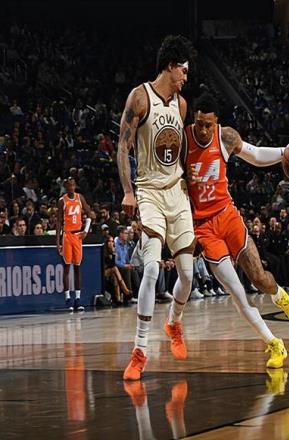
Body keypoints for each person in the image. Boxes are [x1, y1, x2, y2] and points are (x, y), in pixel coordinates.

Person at [184, 93, 289, 369]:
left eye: (208, 125)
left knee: (259, 278)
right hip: (203, 227)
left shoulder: (225, 137)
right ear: (194, 119)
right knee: (237, 293)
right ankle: (274, 343)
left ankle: (280, 296)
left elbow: (256, 155)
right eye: (199, 124)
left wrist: (286, 152)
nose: (203, 130)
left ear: (216, 122)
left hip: (227, 215)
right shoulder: (183, 141)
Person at [117, 35, 197, 380]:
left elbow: (180, 153)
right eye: (184, 70)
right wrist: (128, 191)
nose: (185, 77)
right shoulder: (140, 97)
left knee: (188, 274)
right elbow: (123, 147)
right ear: (170, 66)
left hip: (177, 193)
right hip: (148, 192)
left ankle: (174, 323)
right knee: (150, 270)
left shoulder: (182, 105)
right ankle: (140, 351)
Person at [56, 178, 91, 312]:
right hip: (67, 235)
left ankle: (77, 299)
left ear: (75, 186)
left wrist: (86, 230)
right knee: (66, 267)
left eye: (73, 185)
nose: (71, 187)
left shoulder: (80, 198)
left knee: (77, 267)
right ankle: (67, 298)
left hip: (77, 236)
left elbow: (89, 214)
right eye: (68, 186)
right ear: (65, 187)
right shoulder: (62, 201)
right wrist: (57, 241)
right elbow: (59, 221)